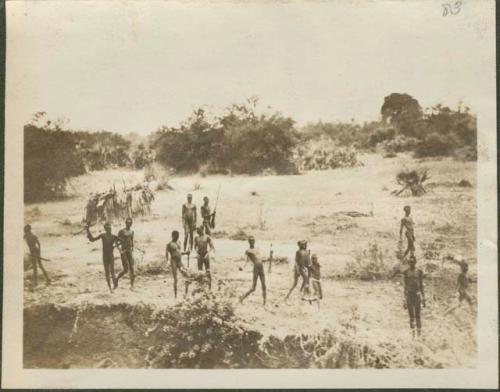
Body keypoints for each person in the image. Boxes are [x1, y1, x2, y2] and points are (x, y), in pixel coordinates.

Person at [86, 222, 120, 293]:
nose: (109, 228)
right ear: (105, 229)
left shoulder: (114, 236)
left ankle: (115, 285)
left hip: (110, 255)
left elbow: (122, 241)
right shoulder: (103, 235)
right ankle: (110, 288)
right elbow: (92, 239)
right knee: (107, 272)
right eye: (108, 227)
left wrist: (115, 245)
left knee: (112, 271)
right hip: (105, 256)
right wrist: (88, 230)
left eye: (110, 227)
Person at [239, 236, 266, 306]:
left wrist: (268, 258)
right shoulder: (248, 251)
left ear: (254, 241)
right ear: (249, 242)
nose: (252, 242)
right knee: (253, 287)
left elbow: (261, 258)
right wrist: (242, 266)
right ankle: (242, 298)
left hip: (261, 267)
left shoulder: (257, 249)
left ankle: (264, 302)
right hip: (256, 268)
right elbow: (245, 260)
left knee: (264, 285)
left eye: (253, 241)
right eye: (251, 241)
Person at [403, 255, 425, 337]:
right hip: (409, 295)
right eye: (410, 262)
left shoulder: (419, 272)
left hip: (417, 295)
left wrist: (424, 298)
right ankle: (413, 334)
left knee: (418, 315)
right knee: (411, 315)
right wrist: (404, 299)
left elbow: (421, 285)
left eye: (413, 262)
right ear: (408, 263)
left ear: (415, 262)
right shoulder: (406, 272)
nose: (411, 263)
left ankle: (419, 334)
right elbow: (405, 286)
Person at [166, 230, 190, 299]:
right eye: (175, 236)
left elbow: (179, 252)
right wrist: (167, 261)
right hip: (173, 261)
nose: (177, 238)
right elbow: (166, 254)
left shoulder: (179, 242)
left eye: (178, 236)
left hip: (180, 261)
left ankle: (186, 294)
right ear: (172, 236)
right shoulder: (169, 244)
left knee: (186, 275)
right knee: (175, 279)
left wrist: (186, 252)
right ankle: (175, 295)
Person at [115, 217, 135, 290]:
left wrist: (132, 248)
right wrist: (120, 249)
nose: (129, 224)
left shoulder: (132, 232)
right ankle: (116, 279)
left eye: (131, 222)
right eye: (128, 222)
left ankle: (132, 285)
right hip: (123, 251)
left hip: (129, 251)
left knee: (132, 268)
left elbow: (132, 241)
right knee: (126, 269)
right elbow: (116, 241)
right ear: (125, 223)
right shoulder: (122, 231)